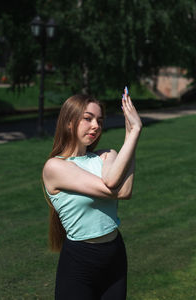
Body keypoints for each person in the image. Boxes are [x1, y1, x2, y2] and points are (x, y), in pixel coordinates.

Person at [42, 89, 142, 300]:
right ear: (69, 122)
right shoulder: (55, 167)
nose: (96, 126)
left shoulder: (106, 155)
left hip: (114, 255)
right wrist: (134, 132)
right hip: (80, 261)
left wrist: (129, 137)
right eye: (87, 119)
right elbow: (113, 184)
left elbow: (124, 191)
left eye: (99, 120)